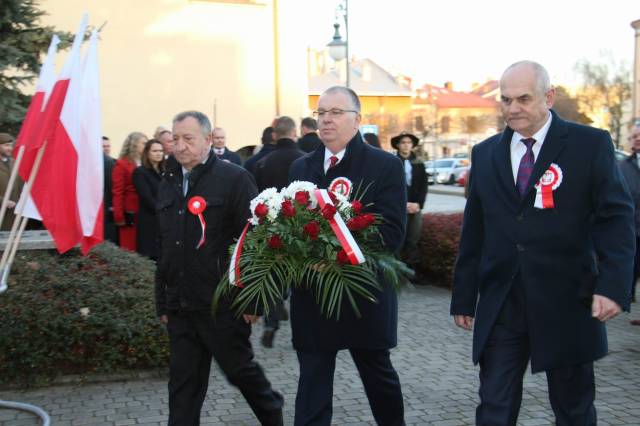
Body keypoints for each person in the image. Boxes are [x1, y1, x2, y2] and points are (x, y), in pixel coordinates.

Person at [450, 61, 634, 425]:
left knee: (573, 408)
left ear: (549, 97)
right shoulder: (485, 153)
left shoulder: (590, 144)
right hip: (503, 302)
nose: (513, 108)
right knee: (494, 405)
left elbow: (615, 219)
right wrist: (464, 295)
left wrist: (613, 287)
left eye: (523, 98)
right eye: (505, 100)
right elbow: (475, 229)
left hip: (567, 301)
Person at [155, 110, 283, 426]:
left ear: (208, 140)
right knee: (183, 388)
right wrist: (163, 300)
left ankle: (272, 412)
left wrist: (255, 300)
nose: (180, 146)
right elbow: (166, 247)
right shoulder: (168, 181)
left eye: (189, 138)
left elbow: (258, 239)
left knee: (241, 372)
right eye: (176, 138)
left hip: (222, 304)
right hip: (182, 305)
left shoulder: (234, 179)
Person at [289, 86, 407, 426]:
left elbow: (392, 234)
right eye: (321, 113)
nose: (326, 119)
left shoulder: (384, 165)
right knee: (312, 382)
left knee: (378, 375)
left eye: (335, 112)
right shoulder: (301, 167)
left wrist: (338, 257)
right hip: (313, 296)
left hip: (363, 295)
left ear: (357, 120)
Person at [254, 116, 304, 348]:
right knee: (298, 275)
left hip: (271, 225)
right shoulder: (305, 160)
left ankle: (271, 321)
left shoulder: (263, 162)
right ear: (294, 133)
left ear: (274, 135)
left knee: (273, 274)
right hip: (301, 227)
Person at [391, 132, 427, 273]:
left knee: (413, 238)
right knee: (398, 238)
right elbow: (391, 186)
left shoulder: (419, 164)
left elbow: (424, 186)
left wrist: (418, 204)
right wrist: (401, 204)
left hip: (415, 207)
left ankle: (412, 271)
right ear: (398, 145)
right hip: (399, 207)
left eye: (409, 143)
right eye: (403, 142)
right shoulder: (392, 162)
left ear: (412, 145)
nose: (406, 145)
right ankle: (397, 271)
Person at [112, 132, 147, 252]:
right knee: (130, 245)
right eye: (143, 143)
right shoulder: (122, 164)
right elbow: (118, 192)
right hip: (130, 211)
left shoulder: (146, 162)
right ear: (134, 145)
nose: (146, 146)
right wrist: (119, 216)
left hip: (145, 210)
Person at [619, 124, 640, 322]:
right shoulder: (624, 166)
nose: (637, 139)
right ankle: (625, 297)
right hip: (632, 226)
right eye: (634, 136)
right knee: (631, 263)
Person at [133, 139, 164, 261]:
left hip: (164, 220)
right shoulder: (140, 172)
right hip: (149, 220)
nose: (158, 153)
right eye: (155, 151)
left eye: (161, 151)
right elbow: (146, 197)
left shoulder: (166, 172)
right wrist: (162, 210)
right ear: (147, 153)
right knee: (150, 256)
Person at [0, 133, 23, 231]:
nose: (10, 148)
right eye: (6, 145)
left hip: (14, 215)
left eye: (11, 145)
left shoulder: (15, 162)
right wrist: (3, 201)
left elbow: (21, 185)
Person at [102, 136, 118, 244]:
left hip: (111, 214)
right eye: (103, 146)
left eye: (108, 146)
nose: (106, 149)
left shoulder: (115, 163)